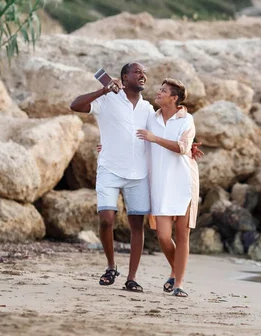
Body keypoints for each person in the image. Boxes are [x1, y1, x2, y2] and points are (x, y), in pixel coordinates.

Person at [70, 63, 204, 291]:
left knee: (145, 228)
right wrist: (104, 91)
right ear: (124, 77)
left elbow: (170, 133)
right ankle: (113, 266)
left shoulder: (148, 111)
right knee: (111, 221)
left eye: (145, 73)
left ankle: (146, 278)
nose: (143, 76)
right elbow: (76, 105)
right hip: (118, 172)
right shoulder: (120, 104)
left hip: (150, 176)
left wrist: (188, 147)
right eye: (137, 72)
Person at [136, 78, 199, 298]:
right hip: (160, 184)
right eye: (160, 89)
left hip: (183, 182)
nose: (158, 93)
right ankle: (175, 271)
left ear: (174, 98)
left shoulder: (187, 119)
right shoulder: (151, 119)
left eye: (163, 91)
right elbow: (136, 140)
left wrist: (156, 139)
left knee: (182, 236)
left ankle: (178, 283)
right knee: (163, 236)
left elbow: (183, 148)